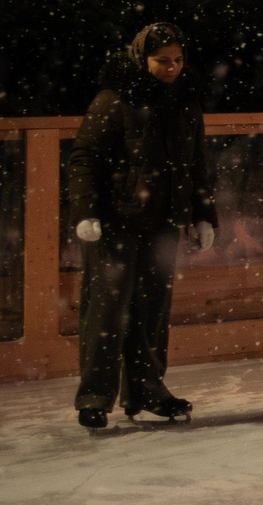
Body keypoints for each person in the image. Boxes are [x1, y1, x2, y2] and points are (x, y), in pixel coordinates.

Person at [65, 23, 216, 430]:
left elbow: (197, 164)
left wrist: (203, 214)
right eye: (162, 61)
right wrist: (86, 212)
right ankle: (95, 396)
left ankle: (147, 391)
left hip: (164, 221)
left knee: (152, 309)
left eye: (178, 60)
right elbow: (85, 159)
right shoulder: (114, 99)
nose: (172, 68)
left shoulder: (186, 103)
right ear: (141, 59)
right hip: (115, 220)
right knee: (108, 309)